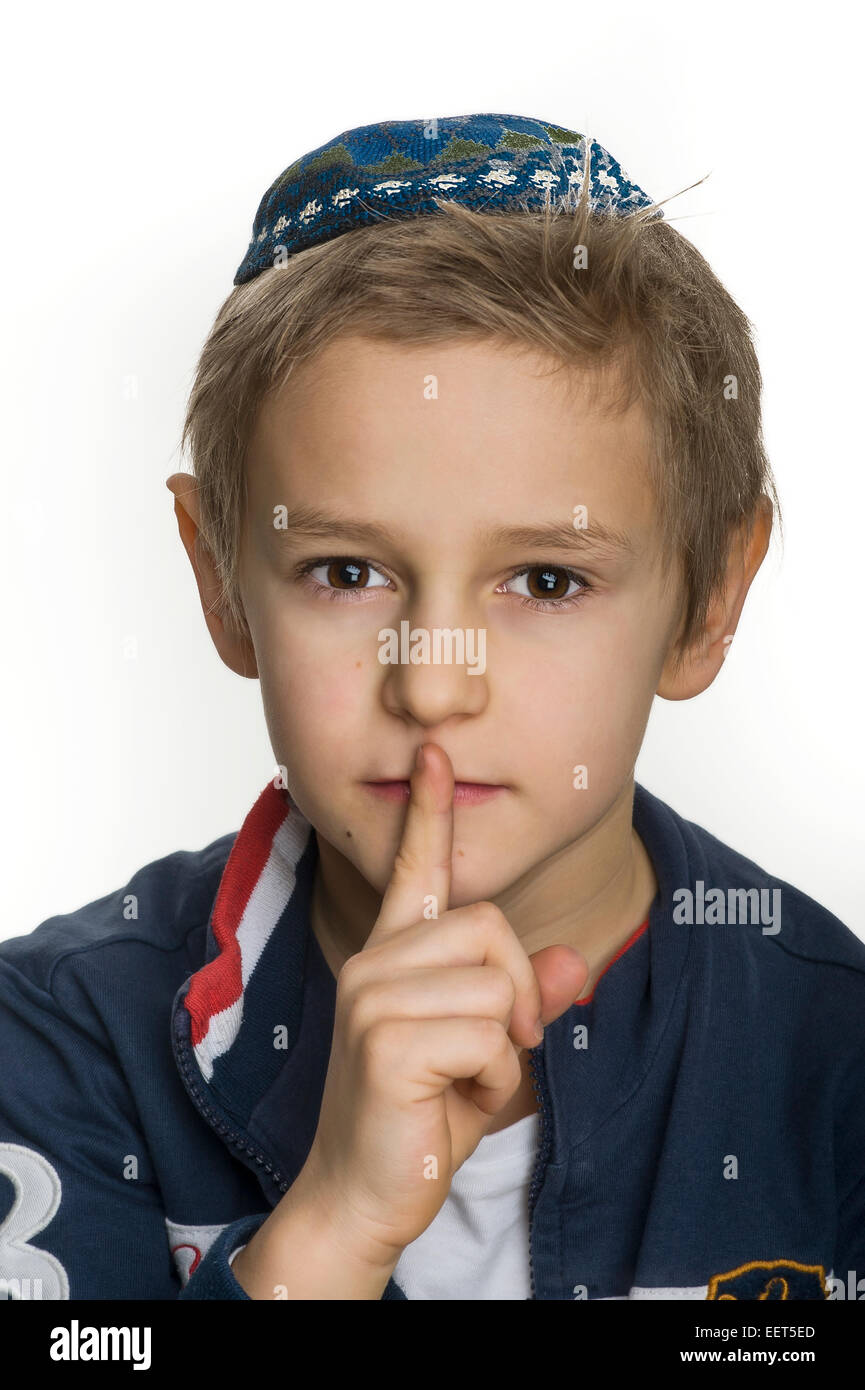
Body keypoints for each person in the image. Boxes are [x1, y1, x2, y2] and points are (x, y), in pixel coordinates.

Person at [2, 114, 863, 1302]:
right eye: (345, 572)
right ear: (221, 582)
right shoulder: (55, 1043)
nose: (434, 679)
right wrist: (330, 1234)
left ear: (709, 599)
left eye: (547, 581)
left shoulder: (839, 1065)